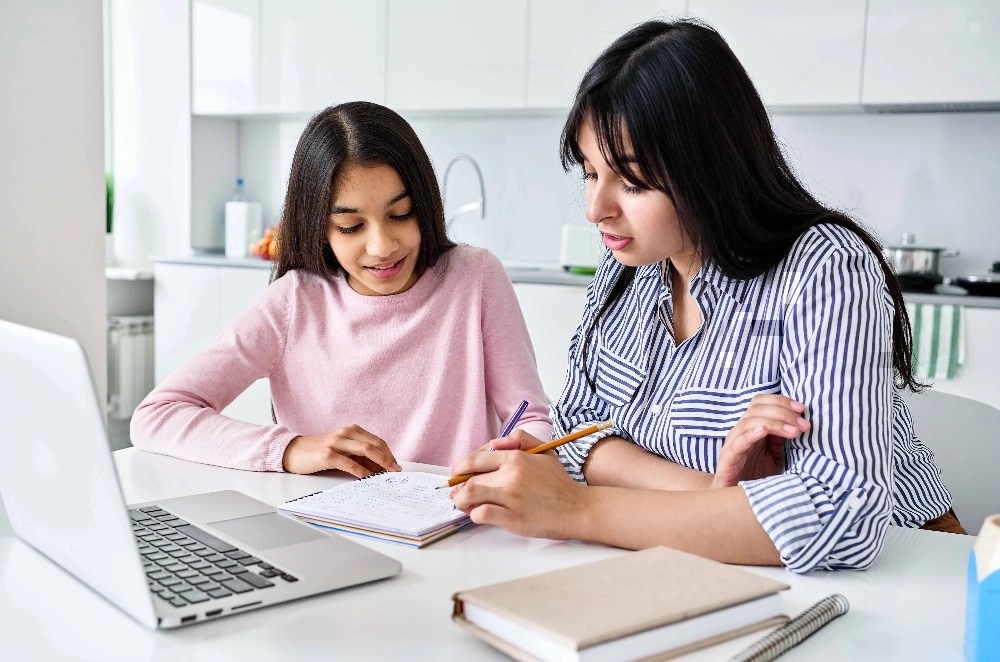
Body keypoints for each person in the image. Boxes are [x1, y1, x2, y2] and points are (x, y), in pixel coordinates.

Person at [450, 19, 964, 573]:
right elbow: (577, 436)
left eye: (632, 182)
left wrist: (579, 509)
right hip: (704, 565)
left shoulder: (825, 269)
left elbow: (843, 516)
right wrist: (714, 497)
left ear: (709, 168)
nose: (595, 209)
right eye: (590, 173)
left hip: (905, 577)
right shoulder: (631, 265)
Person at [131, 101, 551, 476]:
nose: (382, 246)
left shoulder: (474, 277)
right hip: (324, 525)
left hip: (455, 525)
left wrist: (524, 454)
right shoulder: (295, 301)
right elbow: (156, 415)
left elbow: (529, 417)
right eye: (351, 226)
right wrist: (290, 449)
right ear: (320, 227)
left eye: (401, 215)